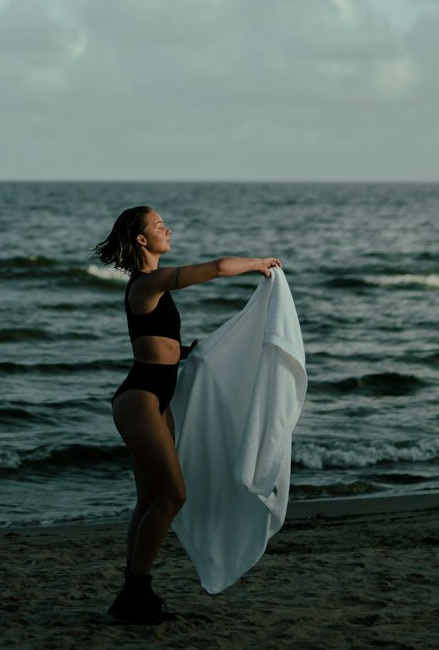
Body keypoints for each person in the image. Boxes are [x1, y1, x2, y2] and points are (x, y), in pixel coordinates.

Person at [93, 205, 282, 624]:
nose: (168, 229)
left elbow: (156, 344)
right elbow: (213, 268)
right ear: (142, 240)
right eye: (160, 226)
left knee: (150, 497)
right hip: (139, 399)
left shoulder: (155, 289)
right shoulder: (148, 283)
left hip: (156, 399)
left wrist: (189, 353)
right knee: (174, 496)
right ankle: (136, 591)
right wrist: (258, 264)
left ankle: (132, 592)